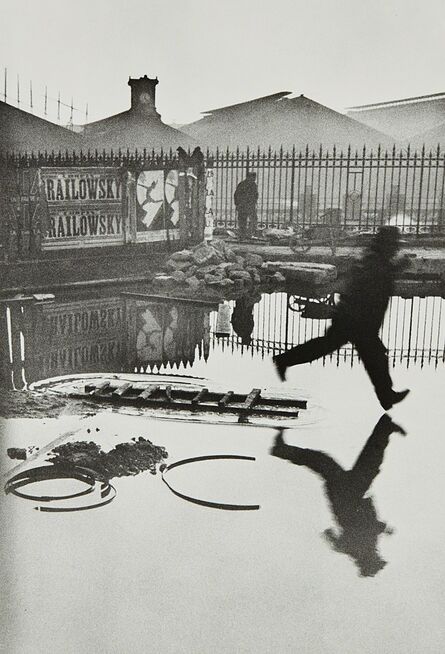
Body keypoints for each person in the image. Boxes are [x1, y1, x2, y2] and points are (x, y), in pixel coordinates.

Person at [273, 226, 410, 410]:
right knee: (373, 356)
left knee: (335, 348)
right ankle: (386, 396)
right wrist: (397, 268)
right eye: (393, 245)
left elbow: (376, 276)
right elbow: (373, 281)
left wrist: (395, 268)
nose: (395, 249)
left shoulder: (374, 259)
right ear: (386, 245)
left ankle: (386, 396)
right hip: (356, 320)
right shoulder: (374, 262)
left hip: (354, 318)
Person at [271, 415, 406, 577]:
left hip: (347, 496)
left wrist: (383, 529)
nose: (378, 555)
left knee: (339, 462)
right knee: (361, 461)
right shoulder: (361, 548)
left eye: (377, 559)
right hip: (350, 495)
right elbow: (346, 535)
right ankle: (385, 427)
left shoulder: (360, 548)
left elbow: (362, 529)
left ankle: (385, 427)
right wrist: (382, 529)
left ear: (370, 559)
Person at [234, 172, 258, 239]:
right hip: (248, 206)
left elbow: (236, 195)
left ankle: (244, 235)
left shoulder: (242, 184)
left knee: (243, 221)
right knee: (251, 220)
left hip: (244, 206)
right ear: (249, 177)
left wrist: (237, 204)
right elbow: (255, 195)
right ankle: (248, 234)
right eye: (253, 177)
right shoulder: (252, 185)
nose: (254, 179)